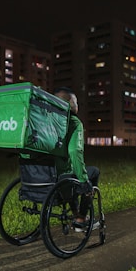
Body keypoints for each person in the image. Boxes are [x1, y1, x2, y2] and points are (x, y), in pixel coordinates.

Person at [54, 86, 100, 229]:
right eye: (75, 102)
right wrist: (84, 181)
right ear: (68, 103)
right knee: (92, 173)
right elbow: (75, 152)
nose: (77, 105)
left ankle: (74, 212)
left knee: (69, 173)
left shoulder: (47, 122)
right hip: (63, 180)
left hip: (43, 179)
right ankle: (80, 218)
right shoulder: (74, 123)